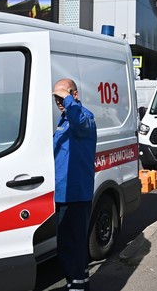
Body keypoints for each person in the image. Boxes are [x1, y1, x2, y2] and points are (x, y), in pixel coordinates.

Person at [52, 78, 97, 291]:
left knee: (73, 246)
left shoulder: (84, 117)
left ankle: (78, 287)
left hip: (76, 194)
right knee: (67, 246)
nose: (59, 101)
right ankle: (79, 284)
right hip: (63, 193)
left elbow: (79, 121)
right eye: (56, 98)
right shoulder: (63, 121)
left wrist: (66, 97)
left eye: (62, 96)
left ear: (74, 95)